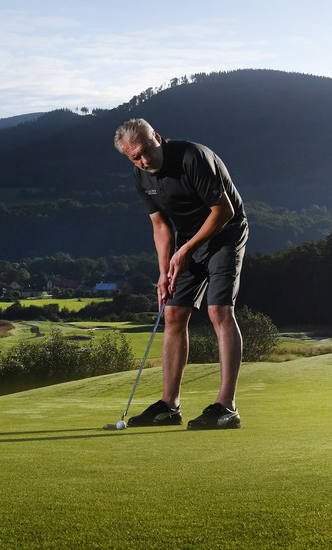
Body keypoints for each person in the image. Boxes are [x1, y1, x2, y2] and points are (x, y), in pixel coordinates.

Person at [112, 118, 247, 430]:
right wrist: (163, 272)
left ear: (157, 137)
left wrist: (184, 252)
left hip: (225, 232)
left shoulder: (192, 157)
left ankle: (227, 406)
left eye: (147, 151)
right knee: (172, 315)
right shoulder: (141, 175)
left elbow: (223, 211)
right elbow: (160, 226)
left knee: (219, 310)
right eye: (136, 157)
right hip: (187, 240)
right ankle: (169, 406)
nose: (144, 160)